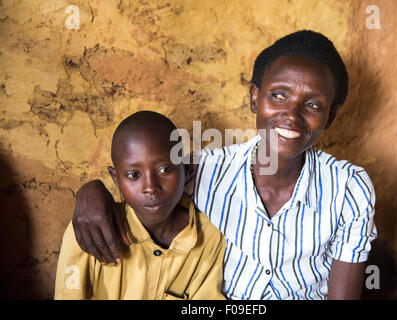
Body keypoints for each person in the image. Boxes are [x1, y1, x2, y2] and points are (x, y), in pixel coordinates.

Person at [71, 30, 377, 300]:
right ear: (254, 98)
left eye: (312, 105)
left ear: (331, 117)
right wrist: (92, 191)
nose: (292, 115)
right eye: (278, 95)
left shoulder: (348, 189)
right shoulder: (207, 170)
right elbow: (148, 180)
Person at [55, 111, 226, 300]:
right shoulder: (89, 230)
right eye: (134, 175)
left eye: (164, 170)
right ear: (116, 179)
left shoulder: (211, 238)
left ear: (185, 170)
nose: (150, 188)